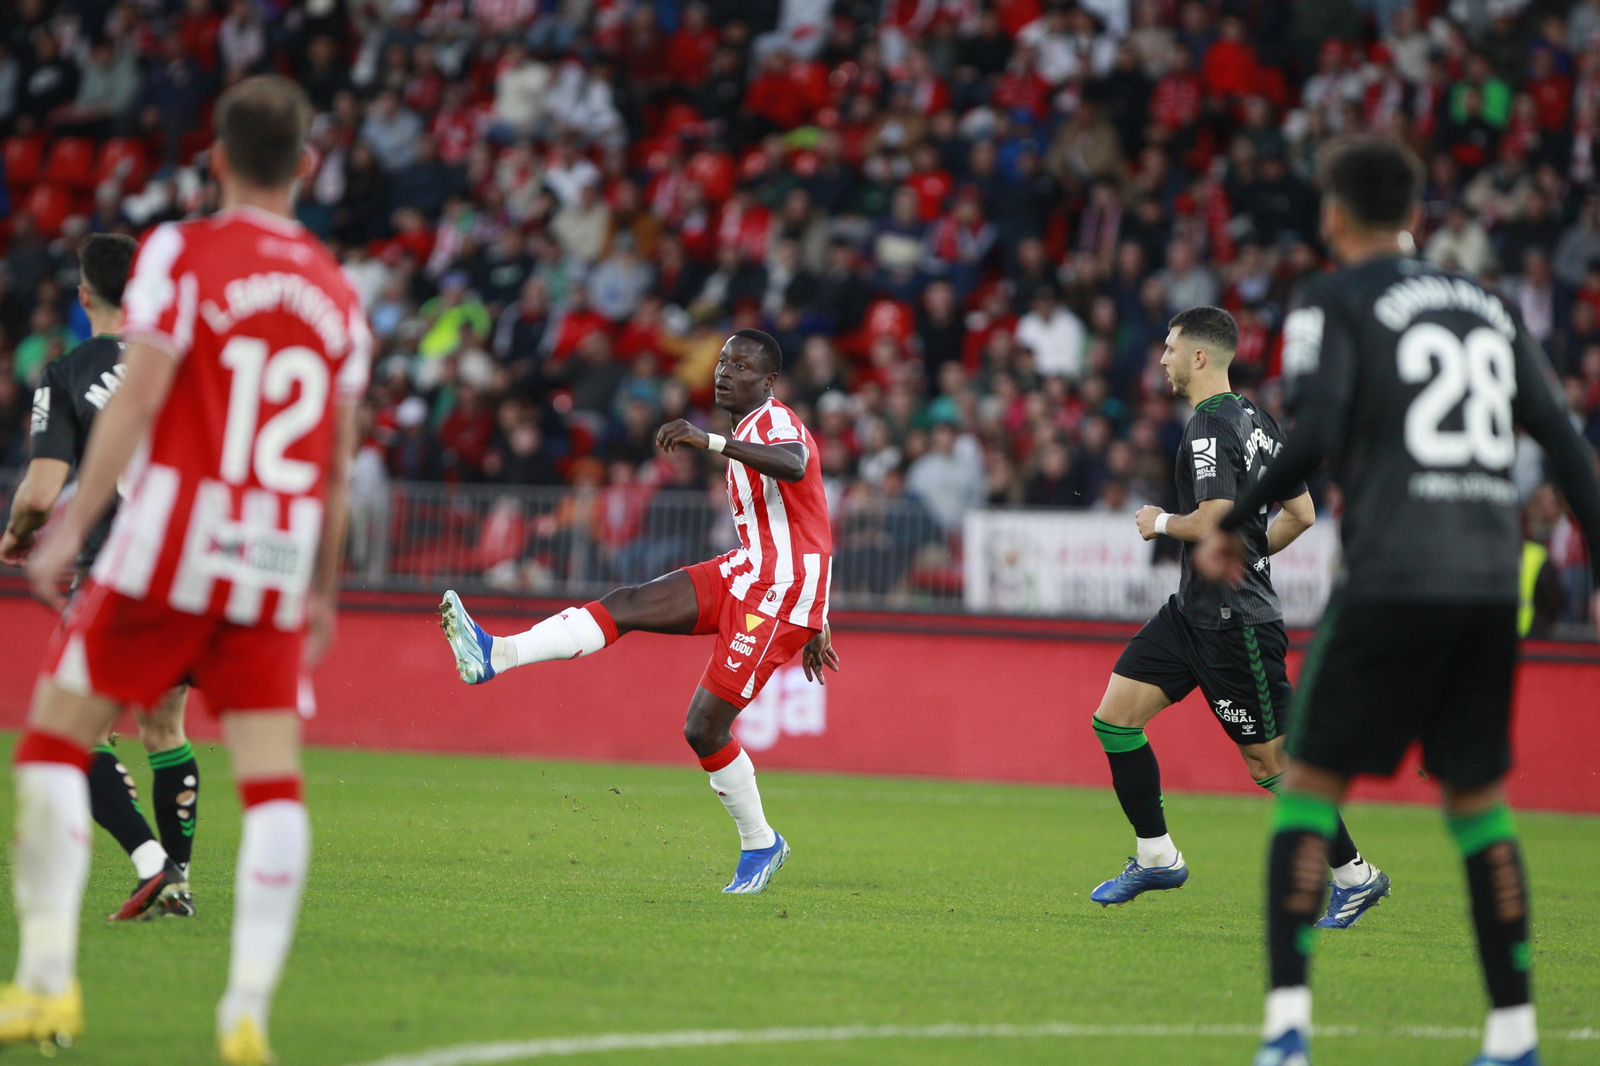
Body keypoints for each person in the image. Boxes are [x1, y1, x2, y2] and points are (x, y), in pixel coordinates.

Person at [1194, 137, 1600, 1066]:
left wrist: (1236, 520)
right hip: (1490, 582)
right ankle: (1513, 1035)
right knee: (1479, 805)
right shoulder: (1491, 305)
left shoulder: (1332, 300)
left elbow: (1321, 428)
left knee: (1305, 790)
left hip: (1391, 575)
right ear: (1415, 213)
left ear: (1335, 216)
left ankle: (1288, 1029)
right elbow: (1568, 449)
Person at [0, 76, 370, 1066]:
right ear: (306, 164)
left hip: (170, 548)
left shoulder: (183, 255)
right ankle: (245, 1010)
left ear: (215, 160)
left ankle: (42, 983)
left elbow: (137, 393)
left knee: (50, 746)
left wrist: (70, 523)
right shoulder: (339, 295)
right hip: (274, 559)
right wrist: (324, 590)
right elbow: (334, 466)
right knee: (274, 783)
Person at [439, 328, 838, 894]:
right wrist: (823, 618)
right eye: (723, 361)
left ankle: (762, 843)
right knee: (626, 604)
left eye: (742, 366)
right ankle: (496, 652)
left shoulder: (774, 422)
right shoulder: (747, 426)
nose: (725, 371)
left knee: (703, 727)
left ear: (768, 381)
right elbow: (810, 521)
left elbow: (797, 465)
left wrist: (708, 443)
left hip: (778, 596)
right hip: (749, 571)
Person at [1088, 306, 1387, 931]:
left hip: (1236, 627)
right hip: (1190, 614)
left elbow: (1214, 517)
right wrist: (1247, 550)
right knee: (1115, 719)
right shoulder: (1257, 420)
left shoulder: (1206, 427)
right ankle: (1156, 856)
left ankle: (1356, 876)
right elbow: (1301, 512)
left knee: (1271, 764)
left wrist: (1161, 522)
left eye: (1170, 349)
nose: (1162, 359)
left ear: (1200, 357)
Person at [1, 233, 202, 922]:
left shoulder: (68, 372)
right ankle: (179, 883)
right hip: (194, 566)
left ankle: (151, 866)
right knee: (164, 724)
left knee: (69, 733)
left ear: (85, 296)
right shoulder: (181, 366)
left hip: (120, 572)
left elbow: (38, 493)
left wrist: (19, 537)